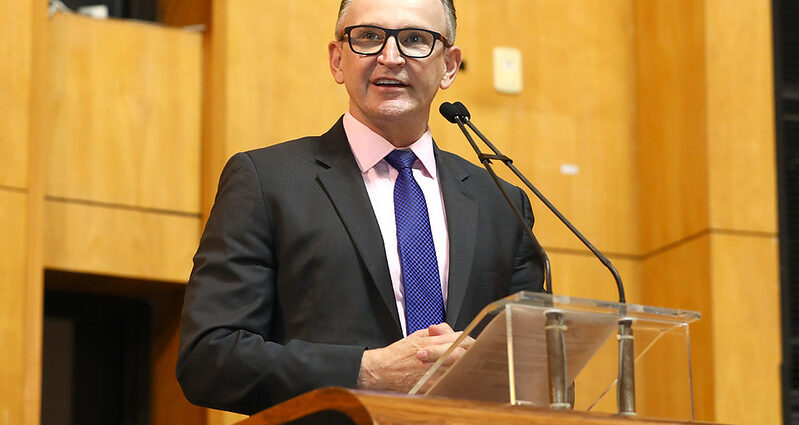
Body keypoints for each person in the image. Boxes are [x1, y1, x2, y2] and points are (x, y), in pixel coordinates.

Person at [176, 0, 544, 415]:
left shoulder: (501, 204)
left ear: (449, 66)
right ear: (337, 60)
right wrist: (365, 371)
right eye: (368, 37)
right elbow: (209, 357)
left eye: (415, 39)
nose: (391, 57)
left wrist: (481, 370)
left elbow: (542, 373)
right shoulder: (267, 181)